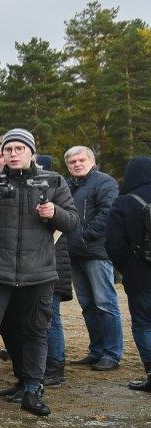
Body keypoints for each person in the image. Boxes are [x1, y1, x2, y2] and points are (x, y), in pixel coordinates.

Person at [0, 129, 78, 416]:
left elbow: (72, 221)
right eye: (8, 149)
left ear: (31, 152)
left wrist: (55, 214)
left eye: (19, 149)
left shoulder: (53, 182)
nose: (13, 154)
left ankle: (33, 391)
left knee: (36, 333)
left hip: (38, 273)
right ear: (2, 154)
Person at [63, 145, 123, 371]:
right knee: (87, 304)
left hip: (96, 252)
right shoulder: (69, 186)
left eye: (81, 160)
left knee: (105, 303)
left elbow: (107, 213)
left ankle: (112, 353)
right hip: (75, 254)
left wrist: (83, 236)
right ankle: (97, 349)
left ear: (92, 161)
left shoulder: (105, 182)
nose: (77, 164)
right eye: (72, 162)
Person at [107, 157, 151, 392]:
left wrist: (126, 267)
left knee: (144, 325)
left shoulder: (123, 202)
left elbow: (113, 244)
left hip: (139, 275)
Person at [38, 155, 74, 388]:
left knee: (51, 318)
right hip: (45, 266)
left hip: (52, 267)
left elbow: (69, 222)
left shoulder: (55, 198)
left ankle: (55, 365)